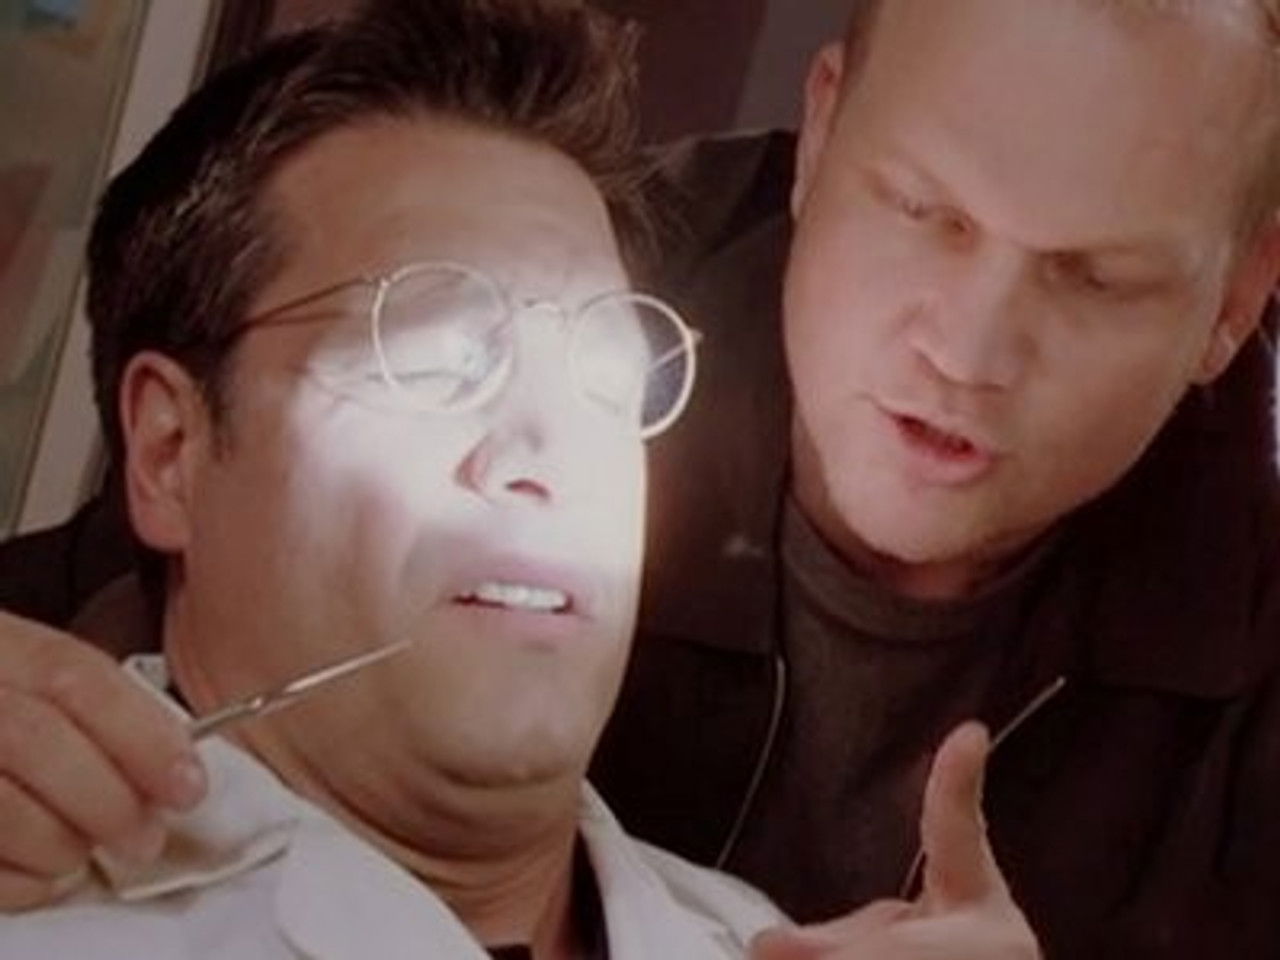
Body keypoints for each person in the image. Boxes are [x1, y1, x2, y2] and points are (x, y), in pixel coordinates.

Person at [1, 0, 1278, 955]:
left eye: (1094, 278)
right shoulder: (594, 238)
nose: (966, 351)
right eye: (921, 211)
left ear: (1233, 303)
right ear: (821, 130)